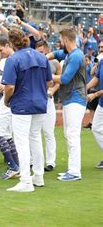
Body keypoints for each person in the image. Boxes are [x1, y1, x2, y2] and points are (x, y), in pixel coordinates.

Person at [2, 28, 52, 192]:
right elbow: (48, 82)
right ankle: (38, 176)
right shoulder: (41, 57)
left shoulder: (13, 59)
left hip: (22, 103)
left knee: (22, 141)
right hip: (39, 102)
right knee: (35, 138)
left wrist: (6, 100)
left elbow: (9, 87)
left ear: (11, 43)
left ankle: (25, 181)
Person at [47, 27, 86, 181]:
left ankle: (75, 172)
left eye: (61, 40)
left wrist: (46, 75)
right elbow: (57, 54)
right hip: (70, 99)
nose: (59, 43)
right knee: (68, 134)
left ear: (66, 40)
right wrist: (44, 57)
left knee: (72, 135)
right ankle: (72, 169)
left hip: (76, 99)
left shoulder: (76, 56)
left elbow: (64, 78)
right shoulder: (70, 53)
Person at [0, 37, 20, 180]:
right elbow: (3, 81)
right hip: (5, 99)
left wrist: (4, 88)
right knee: (7, 134)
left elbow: (15, 82)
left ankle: (13, 166)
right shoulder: (4, 61)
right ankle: (17, 166)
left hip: (10, 101)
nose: (0, 54)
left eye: (1, 50)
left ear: (8, 45)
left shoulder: (15, 59)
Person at [36, 41, 60, 172]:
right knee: (34, 132)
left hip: (48, 99)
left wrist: (52, 91)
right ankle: (34, 160)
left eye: (42, 51)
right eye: (38, 51)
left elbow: (59, 81)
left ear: (47, 50)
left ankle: (50, 162)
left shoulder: (54, 63)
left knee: (48, 131)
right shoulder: (32, 63)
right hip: (36, 100)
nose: (40, 54)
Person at [86, 60, 103, 168]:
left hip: (99, 97)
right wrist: (84, 89)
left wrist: (95, 94)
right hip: (102, 104)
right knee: (96, 128)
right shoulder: (102, 62)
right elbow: (96, 78)